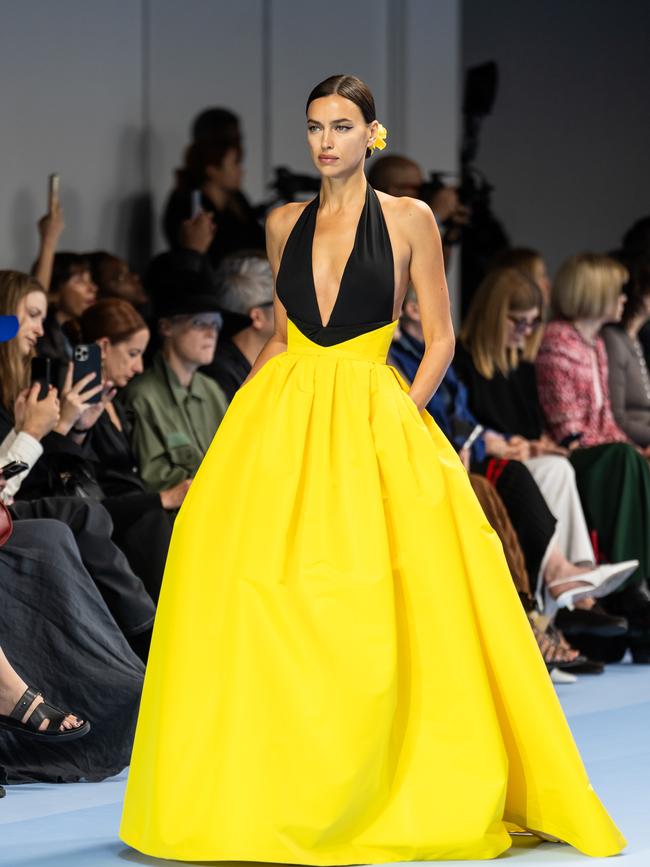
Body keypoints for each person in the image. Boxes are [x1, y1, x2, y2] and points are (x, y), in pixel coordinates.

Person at [120, 74, 625, 861]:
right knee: (259, 589)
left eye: (342, 125)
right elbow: (284, 340)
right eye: (316, 126)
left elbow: (445, 337)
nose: (325, 140)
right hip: (282, 416)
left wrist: (407, 409)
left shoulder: (411, 219)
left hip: (375, 410)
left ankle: (391, 777)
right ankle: (269, 785)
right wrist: (234, 433)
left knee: (384, 596)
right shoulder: (281, 222)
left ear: (370, 134)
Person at [455, 264, 650, 661]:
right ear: (495, 314)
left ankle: (579, 587)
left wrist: (531, 444)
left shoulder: (521, 365)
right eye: (520, 322)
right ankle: (576, 588)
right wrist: (512, 444)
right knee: (581, 466)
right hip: (493, 464)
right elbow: (475, 428)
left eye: (532, 323)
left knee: (578, 465)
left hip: (522, 461)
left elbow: (535, 429)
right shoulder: (466, 360)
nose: (528, 331)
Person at [121, 272, 228, 493]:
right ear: (166, 328)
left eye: (216, 324)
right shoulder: (143, 396)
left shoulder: (212, 390)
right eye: (199, 323)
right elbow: (155, 478)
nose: (211, 333)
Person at [201, 252, 275, 398]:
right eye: (283, 304)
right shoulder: (220, 378)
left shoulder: (275, 363)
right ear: (257, 317)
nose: (293, 310)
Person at [603, 255, 650, 446]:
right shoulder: (613, 339)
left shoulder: (634, 339)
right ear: (637, 295)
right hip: (633, 442)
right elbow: (618, 419)